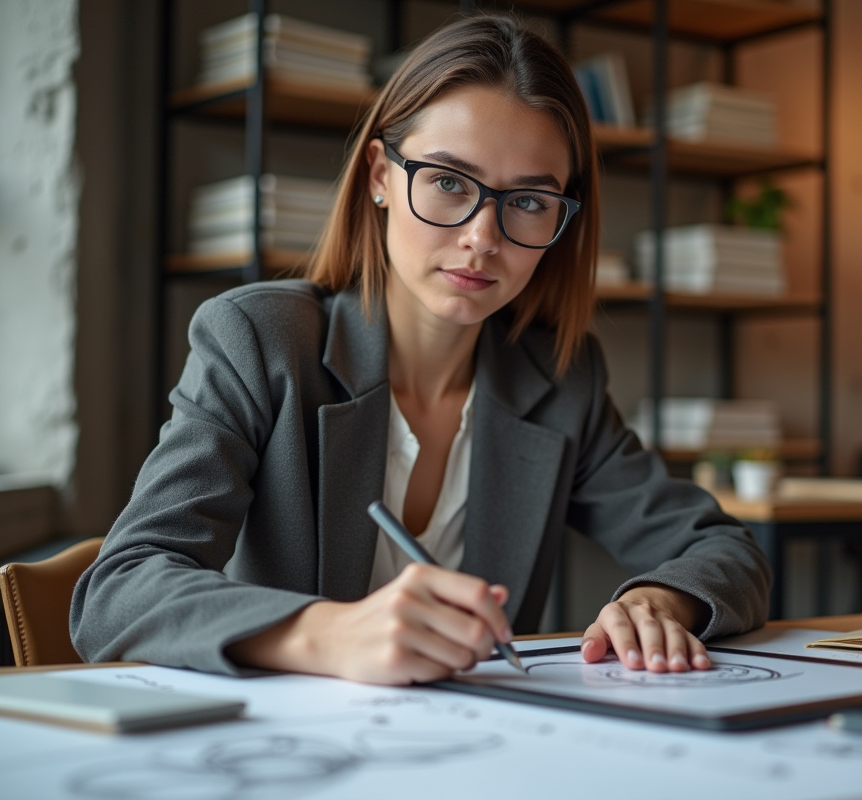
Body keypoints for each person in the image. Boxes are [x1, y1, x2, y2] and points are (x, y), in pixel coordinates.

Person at [70, 15, 770, 685]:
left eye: (528, 200)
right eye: (448, 182)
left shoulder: (559, 376)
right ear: (380, 175)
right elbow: (121, 587)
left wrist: (660, 601)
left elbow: (724, 549)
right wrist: (327, 634)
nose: (482, 237)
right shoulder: (261, 342)